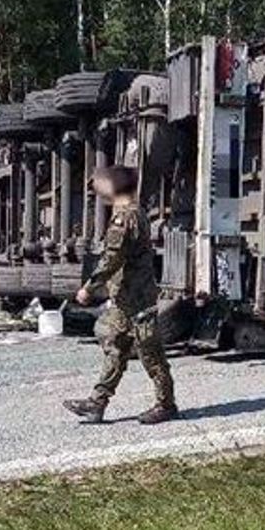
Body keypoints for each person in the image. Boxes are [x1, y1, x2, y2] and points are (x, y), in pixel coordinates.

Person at [63, 166, 177, 424]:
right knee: (115, 347)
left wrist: (89, 287)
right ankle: (97, 403)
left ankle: (166, 404)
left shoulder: (123, 219)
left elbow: (112, 259)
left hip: (137, 299)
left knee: (151, 353)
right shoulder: (138, 213)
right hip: (128, 299)